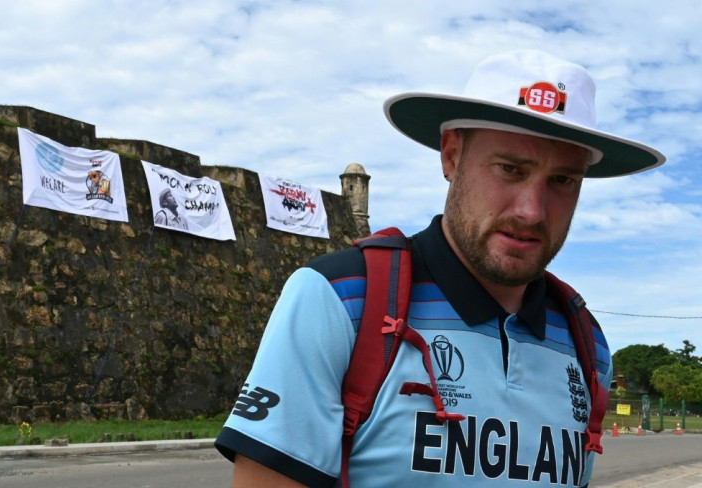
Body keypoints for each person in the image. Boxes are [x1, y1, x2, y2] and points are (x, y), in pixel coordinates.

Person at [215, 50, 665, 487]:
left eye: (563, 180)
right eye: (510, 169)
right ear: (451, 156)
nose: (532, 211)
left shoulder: (587, 344)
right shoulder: (339, 300)